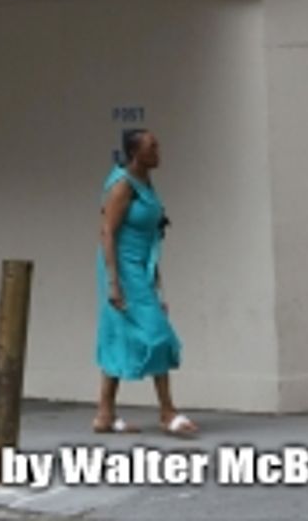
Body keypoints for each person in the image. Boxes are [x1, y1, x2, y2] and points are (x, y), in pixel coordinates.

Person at [95, 128, 196, 438]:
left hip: (142, 266)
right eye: (152, 147)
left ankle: (105, 414)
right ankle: (167, 412)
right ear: (135, 153)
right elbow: (107, 232)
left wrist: (157, 286)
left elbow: (152, 238)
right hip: (123, 269)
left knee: (121, 335)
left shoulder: (146, 184)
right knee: (158, 335)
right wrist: (114, 283)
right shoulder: (122, 186)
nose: (158, 151)